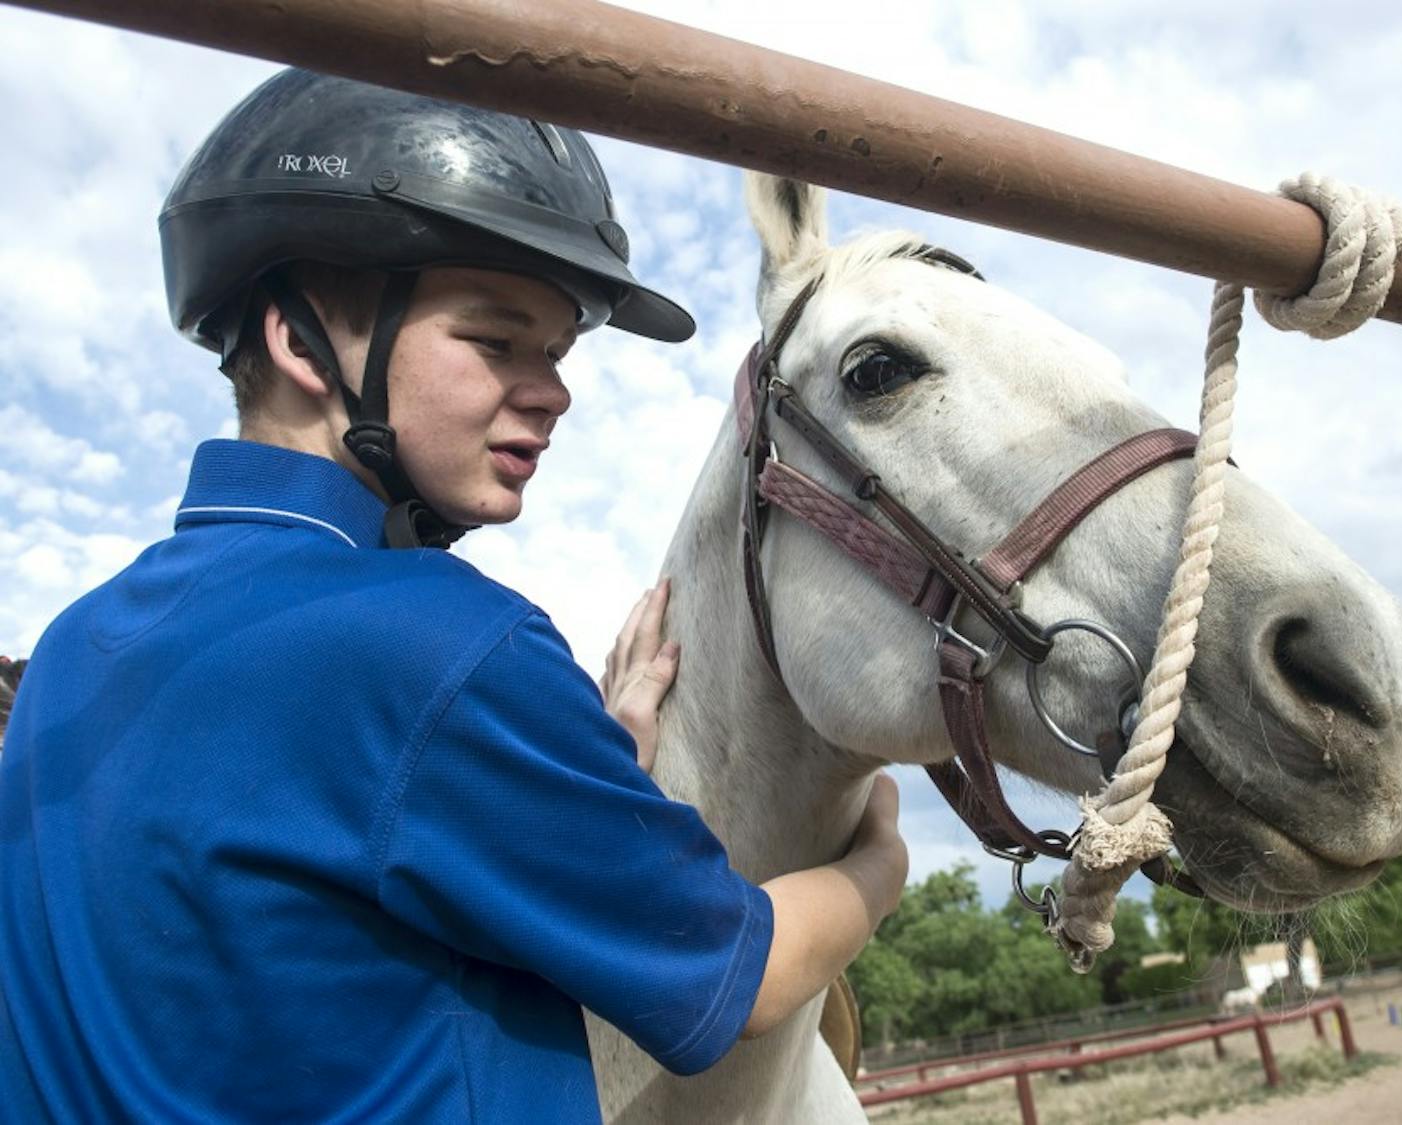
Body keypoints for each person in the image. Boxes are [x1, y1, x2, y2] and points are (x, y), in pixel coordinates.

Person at [0, 69, 908, 1122]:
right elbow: (740, 980)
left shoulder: (68, 653)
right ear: (300, 341)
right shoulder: (447, 647)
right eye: (495, 339)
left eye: (559, 353)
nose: (556, 390)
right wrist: (878, 863)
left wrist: (577, 769)